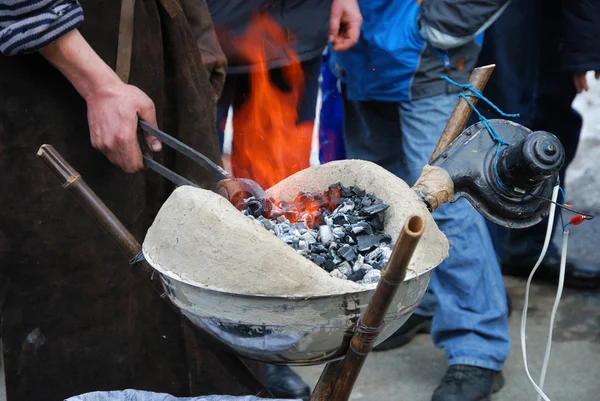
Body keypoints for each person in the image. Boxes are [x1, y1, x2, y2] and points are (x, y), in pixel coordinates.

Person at [0, 0, 265, 399]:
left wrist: (198, 42)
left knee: (197, 265)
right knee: (91, 295)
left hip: (157, 37)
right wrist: (99, 85)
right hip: (58, 67)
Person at [331, 1, 511, 400]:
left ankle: (477, 347)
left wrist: (434, 30)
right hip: (358, 59)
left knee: (447, 207)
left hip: (429, 61)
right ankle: (415, 307)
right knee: (379, 202)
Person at [207, 1, 362, 399]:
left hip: (296, 32)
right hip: (205, 36)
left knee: (281, 212)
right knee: (200, 201)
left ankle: (267, 353)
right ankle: (197, 350)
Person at [474, 0, 600, 289]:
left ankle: (526, 249)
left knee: (549, 129)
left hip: (556, 18)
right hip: (499, 13)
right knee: (498, 128)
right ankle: (482, 283)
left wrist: (584, 44)